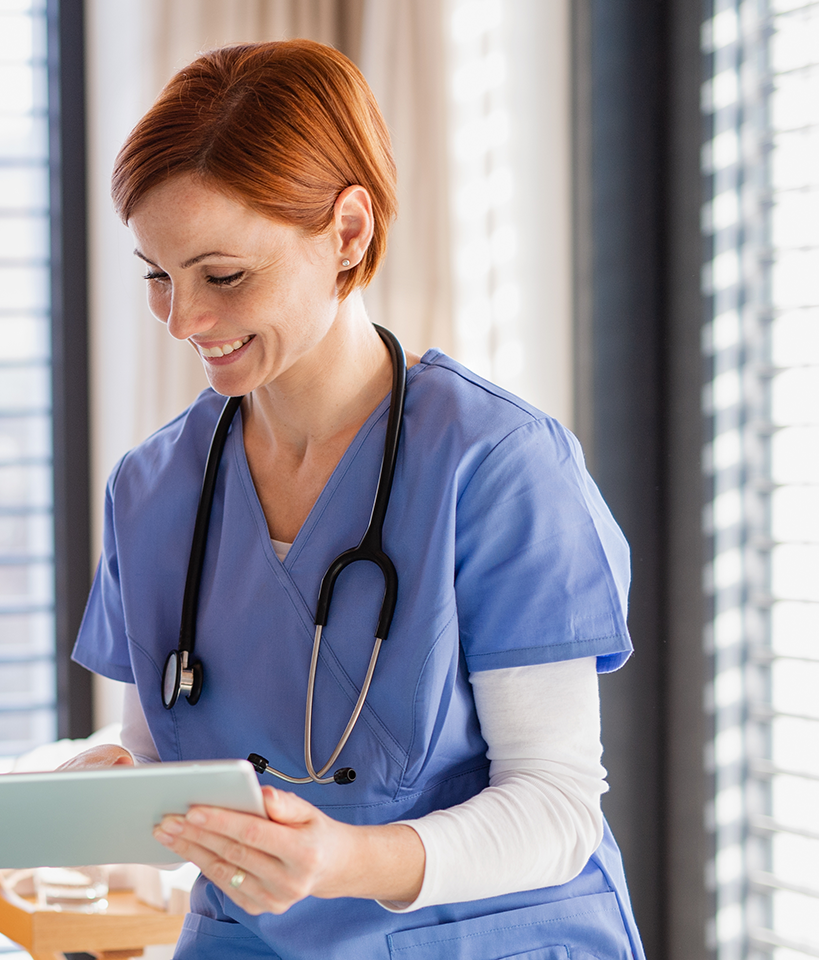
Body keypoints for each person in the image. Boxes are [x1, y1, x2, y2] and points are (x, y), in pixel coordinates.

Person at [61, 40, 645, 958]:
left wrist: (342, 861)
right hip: (246, 939)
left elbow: (556, 805)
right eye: (156, 276)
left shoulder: (496, 465)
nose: (184, 321)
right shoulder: (152, 489)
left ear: (348, 232)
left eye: (223, 276)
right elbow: (165, 750)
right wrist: (114, 782)